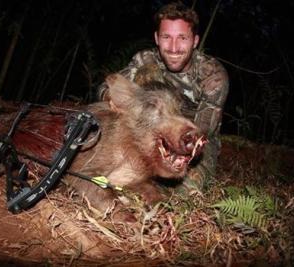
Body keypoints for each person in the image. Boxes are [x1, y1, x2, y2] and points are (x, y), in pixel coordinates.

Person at [97, 1, 229, 196]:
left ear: (195, 41)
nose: (174, 48)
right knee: (146, 75)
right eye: (167, 37)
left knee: (186, 191)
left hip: (189, 137)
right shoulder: (145, 60)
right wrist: (116, 101)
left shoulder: (212, 76)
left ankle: (143, 179)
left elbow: (202, 132)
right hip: (149, 129)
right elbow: (108, 88)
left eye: (182, 38)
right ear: (157, 38)